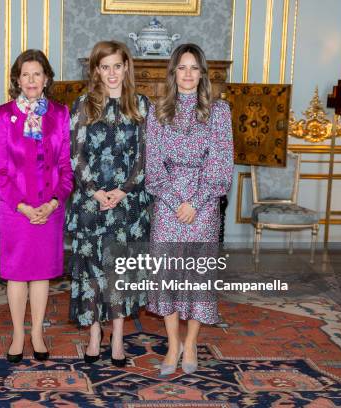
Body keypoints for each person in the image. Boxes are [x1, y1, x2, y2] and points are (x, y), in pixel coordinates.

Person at [145, 43, 233, 375]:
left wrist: (195, 203)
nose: (187, 74)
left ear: (202, 74)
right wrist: (174, 201)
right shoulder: (158, 111)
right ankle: (172, 344)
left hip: (205, 204)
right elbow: (153, 166)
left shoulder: (219, 112)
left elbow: (222, 165)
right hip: (167, 205)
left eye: (194, 68)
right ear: (173, 73)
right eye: (181, 68)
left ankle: (192, 341)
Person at [67, 41, 151, 367]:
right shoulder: (83, 105)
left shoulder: (141, 105)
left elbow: (146, 155)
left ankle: (117, 335)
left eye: (117, 66)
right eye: (105, 67)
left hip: (127, 205)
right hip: (91, 203)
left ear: (126, 67)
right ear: (96, 70)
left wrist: (124, 190)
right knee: (92, 271)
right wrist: (94, 191)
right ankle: (93, 334)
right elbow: (76, 153)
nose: (112, 73)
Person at [0, 49, 73, 363]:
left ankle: (37, 332)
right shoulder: (1, 115)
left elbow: (66, 168)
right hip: (16, 210)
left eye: (37, 73)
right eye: (25, 74)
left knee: (40, 275)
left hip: (50, 209)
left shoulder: (61, 114)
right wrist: (23, 207)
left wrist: (53, 203)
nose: (31, 80)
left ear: (47, 78)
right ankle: (17, 334)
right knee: (16, 274)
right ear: (17, 79)